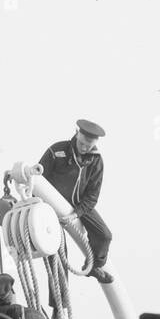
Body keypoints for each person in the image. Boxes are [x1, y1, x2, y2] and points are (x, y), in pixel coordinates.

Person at [37, 118, 114, 283]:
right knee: (57, 253)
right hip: (52, 206)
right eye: (82, 143)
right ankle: (60, 306)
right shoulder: (57, 150)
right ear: (77, 134)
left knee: (104, 236)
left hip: (80, 204)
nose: (85, 148)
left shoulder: (96, 160)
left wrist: (76, 214)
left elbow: (92, 196)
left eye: (90, 145)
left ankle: (94, 267)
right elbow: (39, 179)